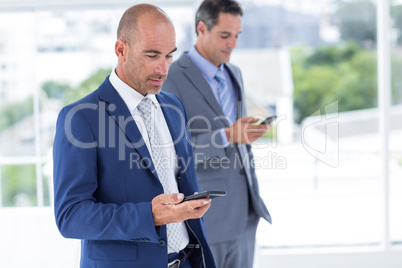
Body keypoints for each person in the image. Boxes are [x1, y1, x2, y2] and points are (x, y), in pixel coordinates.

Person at [53, 4, 216, 268]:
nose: (163, 69)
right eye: (152, 56)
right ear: (121, 50)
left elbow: (177, 181)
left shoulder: (173, 106)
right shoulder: (80, 118)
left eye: (169, 56)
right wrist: (148, 215)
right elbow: (70, 216)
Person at [162, 0, 272, 267]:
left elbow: (235, 137)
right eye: (225, 35)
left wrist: (246, 131)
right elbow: (173, 150)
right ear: (202, 28)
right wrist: (227, 135)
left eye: (236, 35)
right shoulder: (171, 76)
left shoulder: (235, 73)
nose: (232, 43)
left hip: (246, 213)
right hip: (209, 217)